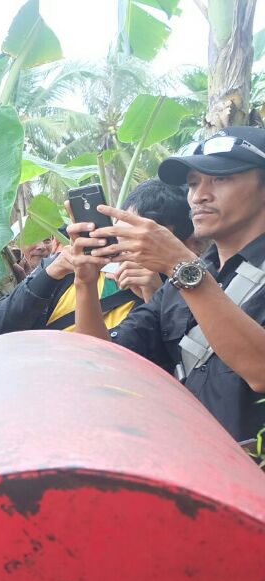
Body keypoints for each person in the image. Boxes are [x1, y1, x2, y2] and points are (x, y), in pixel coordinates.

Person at [69, 127, 265, 447]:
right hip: (192, 464)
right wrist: (85, 282)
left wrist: (180, 266)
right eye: (193, 183)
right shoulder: (181, 280)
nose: (199, 195)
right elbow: (105, 359)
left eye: (222, 178)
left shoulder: (183, 272)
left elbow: (260, 371)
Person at [0, 179, 195, 337]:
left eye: (145, 241)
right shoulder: (69, 269)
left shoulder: (177, 295)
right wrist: (51, 272)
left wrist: (156, 298)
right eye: (123, 233)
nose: (128, 247)